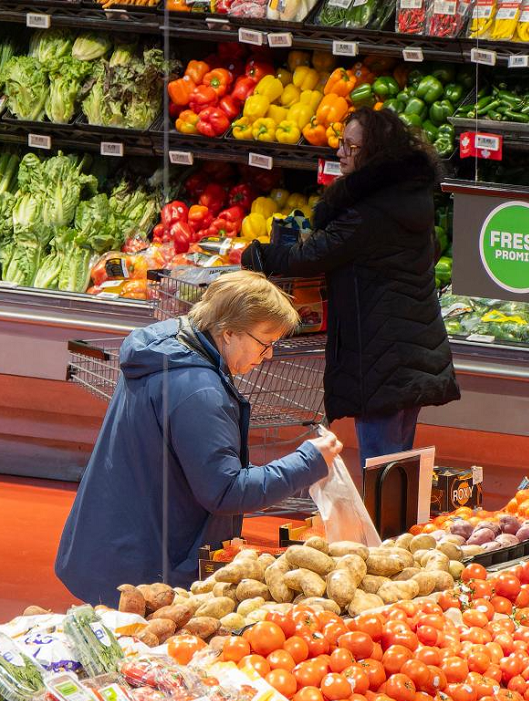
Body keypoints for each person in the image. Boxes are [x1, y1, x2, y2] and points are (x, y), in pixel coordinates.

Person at [55, 270, 342, 605]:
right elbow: (225, 491)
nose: (268, 355)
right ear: (229, 331)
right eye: (265, 342)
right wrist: (309, 462)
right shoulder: (198, 391)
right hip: (146, 568)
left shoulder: (165, 350)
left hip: (114, 542)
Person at [242, 107, 460, 472]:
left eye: (352, 147)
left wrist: (260, 253)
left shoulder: (369, 210)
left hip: (382, 354)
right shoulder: (410, 196)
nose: (341, 152)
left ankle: (383, 529)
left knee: (380, 467)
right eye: (341, 144)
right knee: (397, 462)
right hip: (413, 349)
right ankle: (399, 527)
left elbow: (313, 254)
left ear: (376, 152)